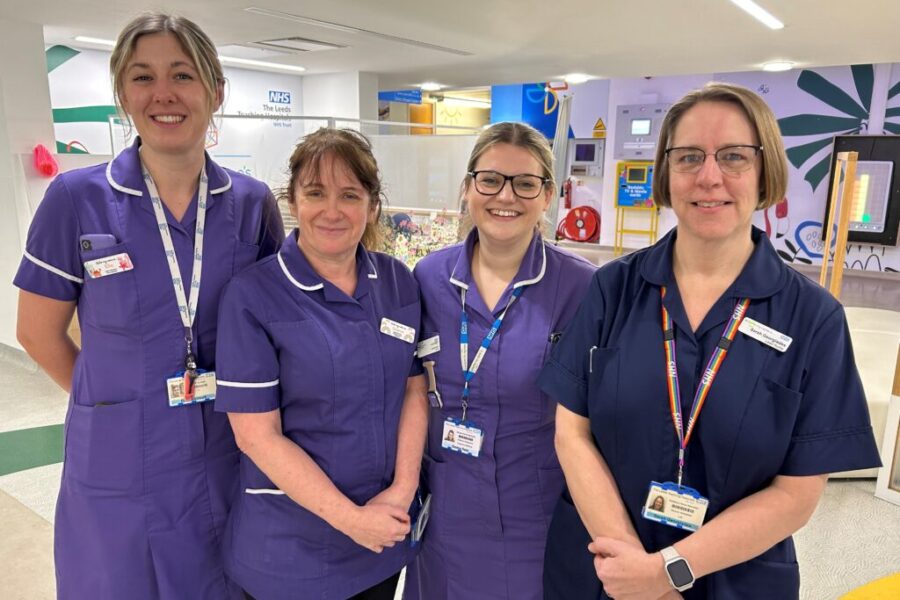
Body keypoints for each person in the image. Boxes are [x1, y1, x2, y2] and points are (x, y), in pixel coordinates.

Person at [538, 82, 881, 599]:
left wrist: (666, 572)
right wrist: (631, 568)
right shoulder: (614, 288)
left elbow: (797, 493)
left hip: (733, 580)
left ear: (765, 172)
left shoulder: (813, 318)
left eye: (734, 157)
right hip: (604, 571)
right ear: (665, 170)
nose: (709, 176)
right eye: (689, 156)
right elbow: (572, 434)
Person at [13, 13, 284, 599]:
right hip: (115, 461)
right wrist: (110, 400)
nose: (164, 94)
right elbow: (37, 331)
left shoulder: (252, 203)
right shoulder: (74, 198)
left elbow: (279, 325)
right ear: (122, 94)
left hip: (225, 450)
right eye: (143, 77)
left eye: (182, 74)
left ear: (215, 92)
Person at [214, 128, 428, 600]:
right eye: (316, 193)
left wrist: (401, 490)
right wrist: (352, 520)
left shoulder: (397, 282)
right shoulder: (253, 297)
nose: (332, 210)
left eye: (350, 194)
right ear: (292, 200)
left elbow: (413, 388)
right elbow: (255, 435)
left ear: (372, 206)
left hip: (380, 539)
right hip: (291, 550)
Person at [403, 122, 597, 599]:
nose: (505, 196)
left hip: (536, 513)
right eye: (490, 179)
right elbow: (408, 388)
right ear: (469, 186)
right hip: (444, 508)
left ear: (547, 195)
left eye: (525, 183)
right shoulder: (428, 277)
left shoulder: (582, 287)